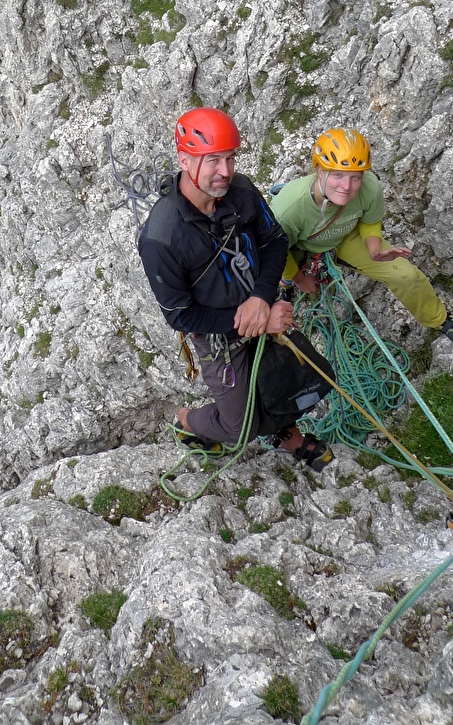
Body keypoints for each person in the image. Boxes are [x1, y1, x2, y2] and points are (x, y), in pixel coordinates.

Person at [138, 107, 334, 469]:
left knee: (286, 381)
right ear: (184, 160)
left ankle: (284, 434)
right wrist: (253, 318)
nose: (225, 171)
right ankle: (187, 420)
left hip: (264, 307)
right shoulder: (162, 236)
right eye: (212, 160)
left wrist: (261, 298)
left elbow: (274, 241)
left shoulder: (241, 191)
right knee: (239, 428)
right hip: (218, 334)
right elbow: (180, 314)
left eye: (230, 158)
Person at [270, 127, 453, 344]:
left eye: (355, 177)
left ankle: (438, 318)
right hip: (299, 245)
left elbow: (370, 219)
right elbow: (274, 251)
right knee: (272, 270)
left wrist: (374, 248)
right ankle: (283, 284)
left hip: (345, 234)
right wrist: (299, 279)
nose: (347, 187)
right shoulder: (288, 209)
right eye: (337, 175)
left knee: (406, 276)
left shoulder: (370, 186)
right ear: (320, 172)